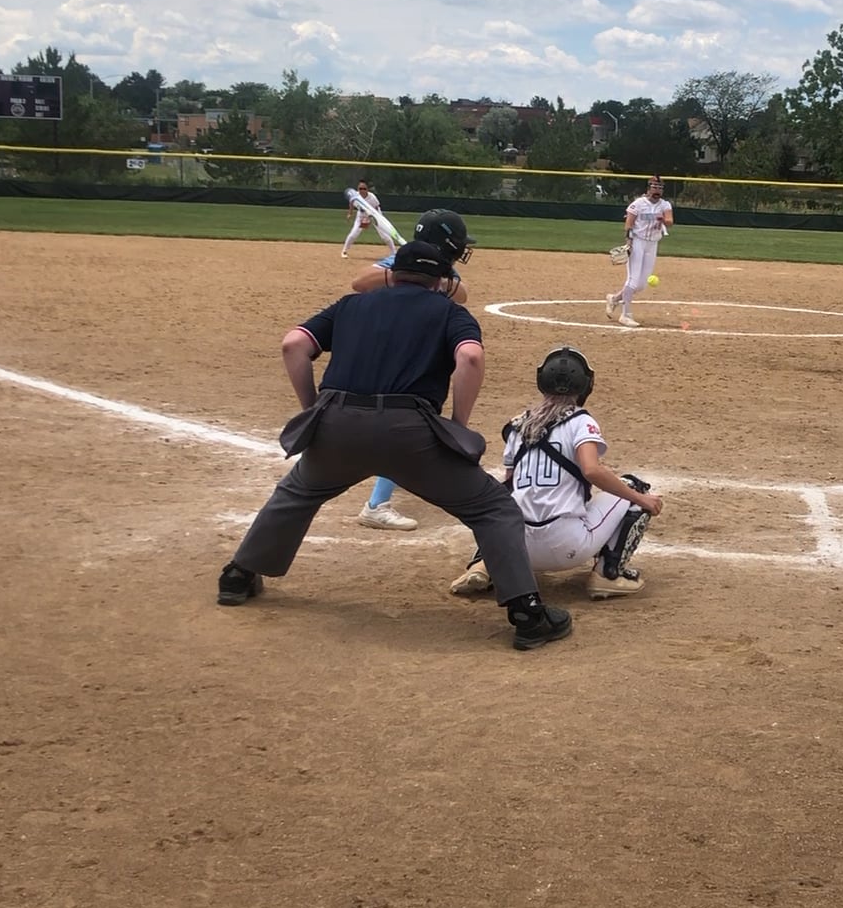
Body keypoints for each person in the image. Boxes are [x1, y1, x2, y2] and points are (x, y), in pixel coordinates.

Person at [217, 231, 572, 651]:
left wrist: (313, 410)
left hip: (336, 423)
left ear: (393, 274)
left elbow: (293, 344)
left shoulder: (351, 305)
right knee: (494, 508)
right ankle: (527, 613)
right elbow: (470, 357)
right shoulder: (449, 312)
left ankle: (238, 575)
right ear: (440, 280)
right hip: (410, 434)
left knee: (297, 494)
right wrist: (457, 424)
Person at [448, 346, 663, 601]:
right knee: (633, 488)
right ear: (586, 385)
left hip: (517, 549)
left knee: (499, 501)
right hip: (567, 545)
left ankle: (485, 564)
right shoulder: (580, 421)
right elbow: (592, 470)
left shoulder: (518, 425)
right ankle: (608, 574)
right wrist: (640, 499)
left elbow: (510, 485)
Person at [344, 210, 477, 531]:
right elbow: (360, 282)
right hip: (391, 352)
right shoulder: (398, 262)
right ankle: (376, 505)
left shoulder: (442, 270)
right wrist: (405, 275)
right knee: (405, 419)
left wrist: (435, 277)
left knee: (412, 418)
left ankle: (404, 472)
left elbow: (461, 293)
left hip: (412, 351)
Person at [605, 176, 673, 328]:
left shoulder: (665, 205)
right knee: (633, 280)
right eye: (654, 187)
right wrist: (629, 241)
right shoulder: (638, 204)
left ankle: (614, 299)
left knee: (641, 285)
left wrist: (663, 219)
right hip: (638, 242)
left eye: (660, 188)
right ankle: (625, 315)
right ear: (649, 188)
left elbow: (670, 221)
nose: (657, 190)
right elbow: (629, 223)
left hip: (652, 244)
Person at [341, 179, 396, 258]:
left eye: (364, 189)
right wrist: (350, 213)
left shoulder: (372, 197)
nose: (362, 190)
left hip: (376, 215)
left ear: (367, 189)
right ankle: (344, 251)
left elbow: (376, 208)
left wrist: (370, 219)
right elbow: (351, 202)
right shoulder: (355, 196)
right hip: (361, 215)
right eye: (360, 188)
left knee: (384, 236)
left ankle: (394, 252)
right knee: (353, 233)